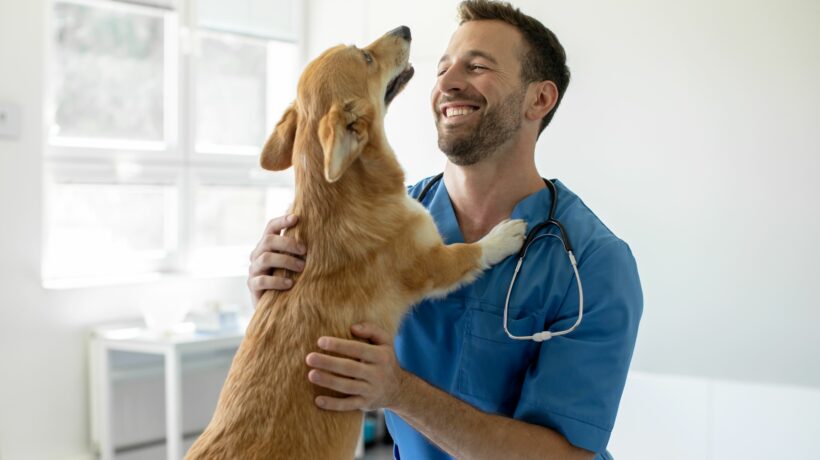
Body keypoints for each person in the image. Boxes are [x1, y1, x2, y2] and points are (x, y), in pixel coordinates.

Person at [247, 1, 642, 458]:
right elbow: (322, 360)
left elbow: (563, 455)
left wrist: (398, 391)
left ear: (540, 99)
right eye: (442, 68)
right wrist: (279, 296)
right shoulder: (375, 226)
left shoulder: (593, 262)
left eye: (476, 67)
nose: (448, 83)